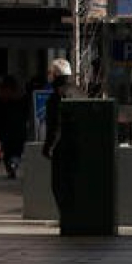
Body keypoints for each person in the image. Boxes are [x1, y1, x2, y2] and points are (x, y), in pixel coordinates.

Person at [42, 58, 82, 213]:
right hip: (80, 145)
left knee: (59, 185)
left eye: (50, 73)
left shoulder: (56, 97)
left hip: (62, 148)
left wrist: (48, 147)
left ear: (54, 75)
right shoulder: (79, 92)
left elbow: (55, 125)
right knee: (74, 185)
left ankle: (67, 216)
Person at [0, 75, 29, 179]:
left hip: (5, 129)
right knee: (17, 150)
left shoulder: (1, 98)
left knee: (8, 150)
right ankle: (13, 165)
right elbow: (26, 112)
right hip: (19, 128)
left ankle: (11, 168)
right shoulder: (21, 97)